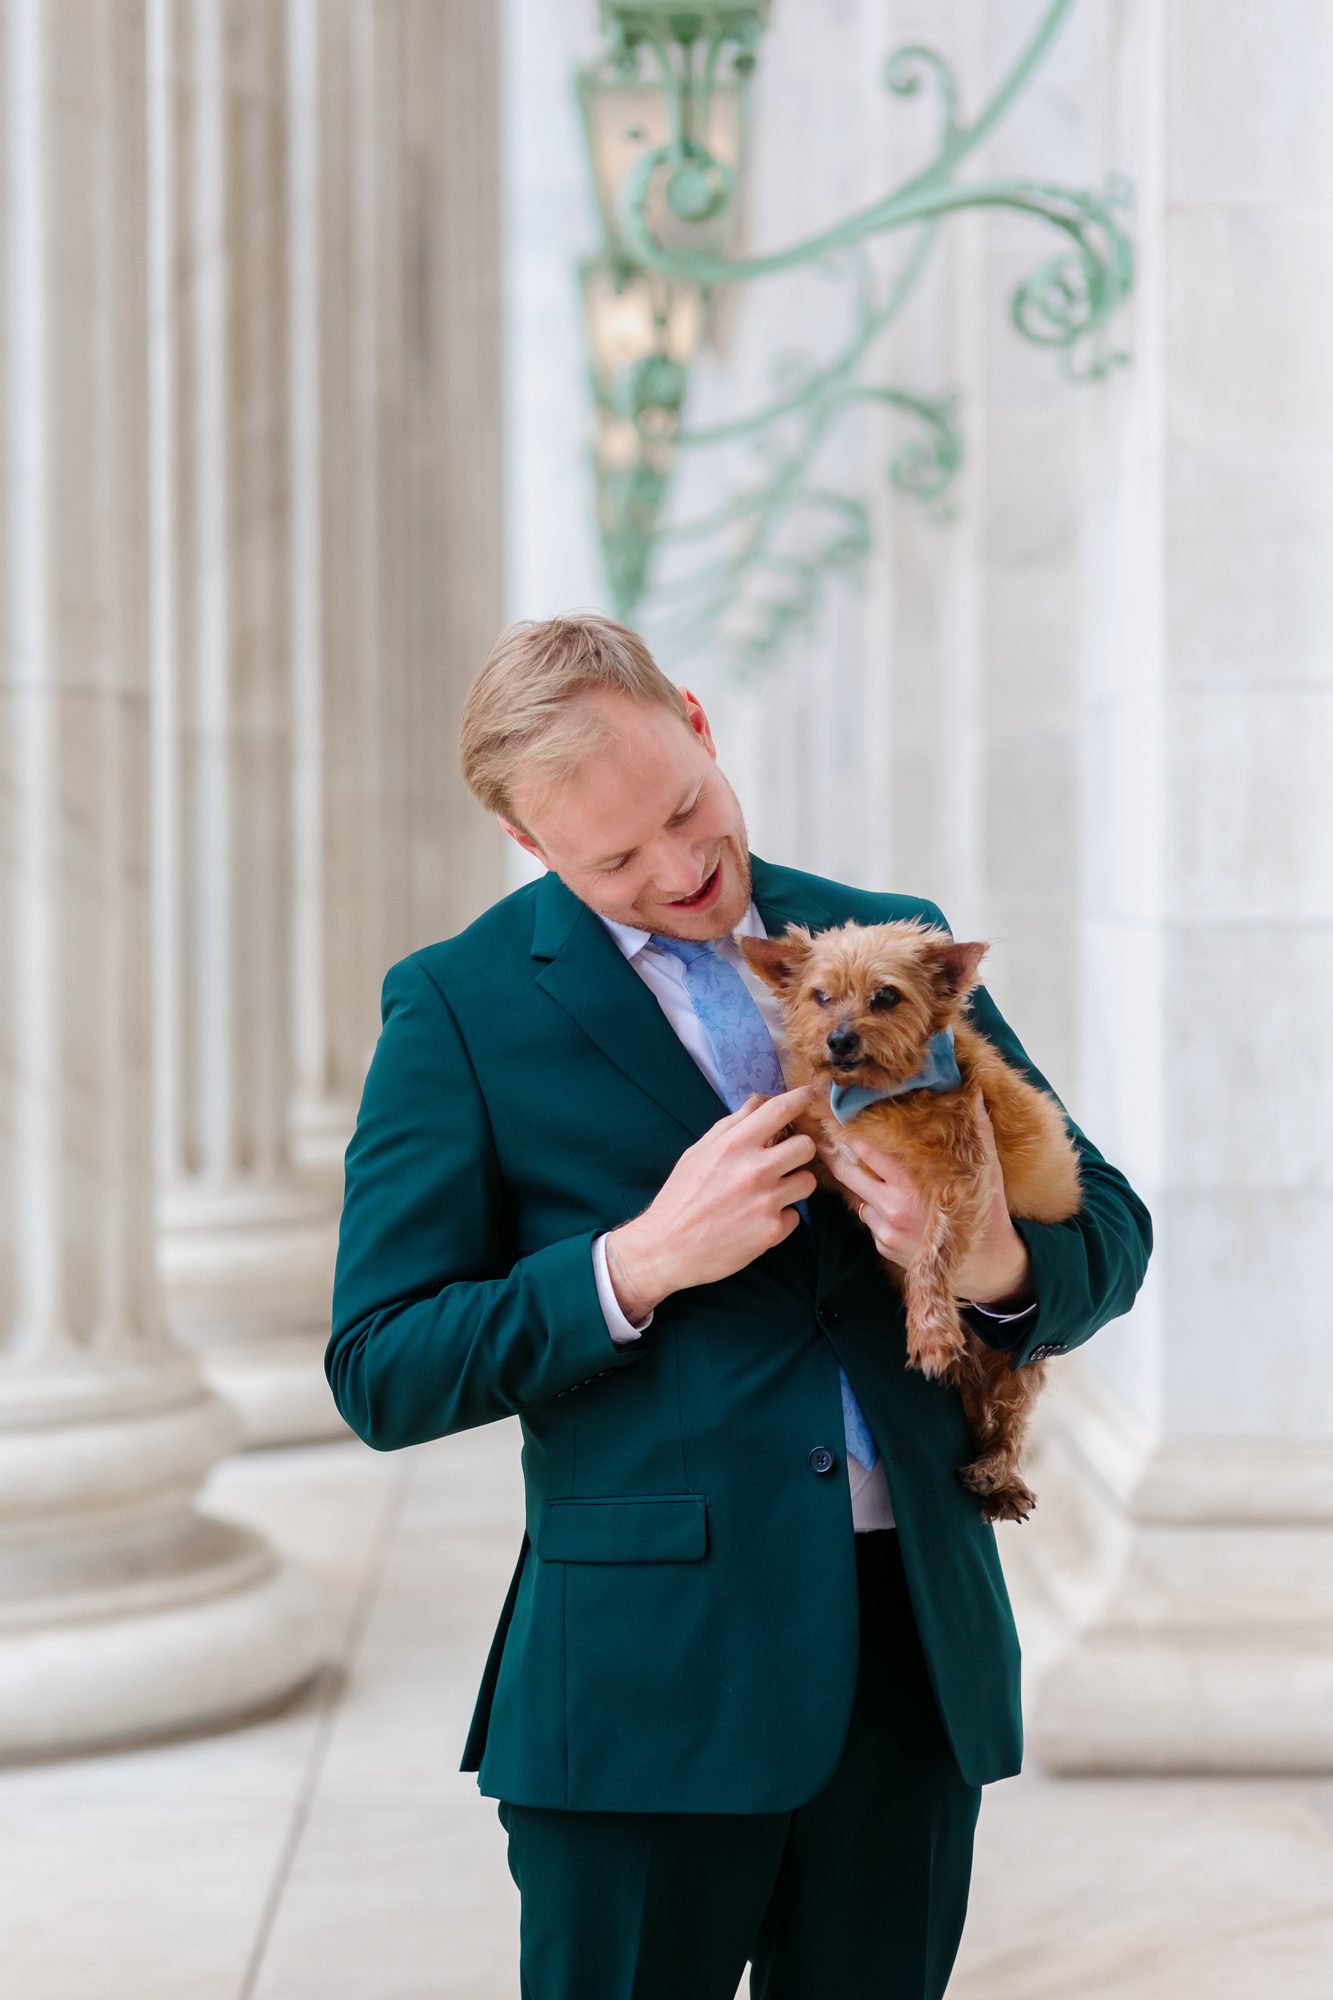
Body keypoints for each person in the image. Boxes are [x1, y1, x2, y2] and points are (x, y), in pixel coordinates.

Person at [326, 612, 1152, 1999]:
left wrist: (991, 1258)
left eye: (686, 809)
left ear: (702, 725)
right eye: (614, 860)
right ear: (534, 851)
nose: (682, 868)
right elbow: (382, 1368)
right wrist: (635, 1265)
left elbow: (1109, 1237)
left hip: (912, 1651)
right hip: (645, 1684)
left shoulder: (888, 945)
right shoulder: (458, 1009)